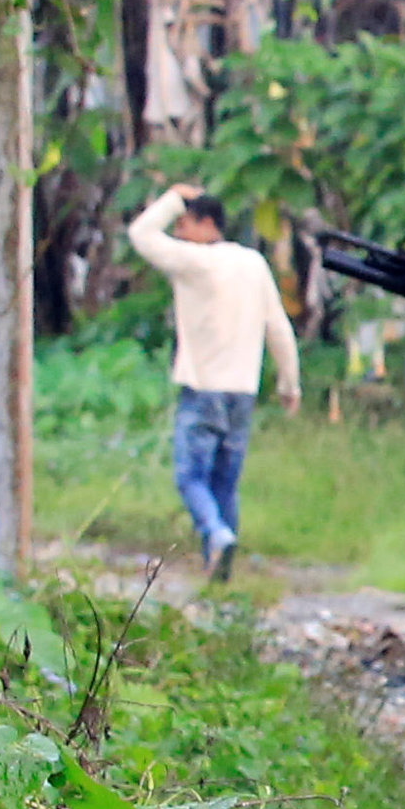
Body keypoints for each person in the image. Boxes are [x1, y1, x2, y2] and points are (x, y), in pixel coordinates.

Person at [126, 184, 300, 582]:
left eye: (184, 224)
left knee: (190, 477)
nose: (180, 233)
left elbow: (141, 235)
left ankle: (216, 534)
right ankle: (220, 573)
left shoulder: (196, 261)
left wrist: (171, 197)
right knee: (225, 483)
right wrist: (290, 384)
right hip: (243, 390)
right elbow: (278, 328)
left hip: (204, 388)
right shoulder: (254, 263)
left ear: (207, 224)